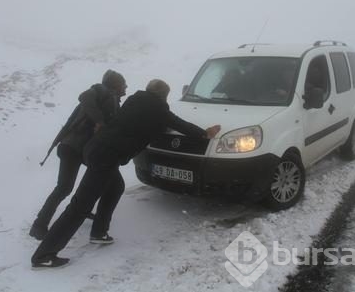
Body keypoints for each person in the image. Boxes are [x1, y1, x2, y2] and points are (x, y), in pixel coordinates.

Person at [30, 79, 221, 269]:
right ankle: (44, 255)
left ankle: (99, 232)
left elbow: (139, 122)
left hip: (96, 149)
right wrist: (205, 133)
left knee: (116, 187)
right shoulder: (158, 110)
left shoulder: (133, 101)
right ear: (163, 95)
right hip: (105, 157)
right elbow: (180, 125)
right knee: (79, 206)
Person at [29, 70, 127, 240]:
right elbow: (110, 128)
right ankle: (39, 226)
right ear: (115, 85)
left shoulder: (96, 97)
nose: (126, 86)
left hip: (71, 146)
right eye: (123, 83)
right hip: (77, 149)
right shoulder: (108, 99)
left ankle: (75, 213)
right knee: (68, 187)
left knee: (85, 184)